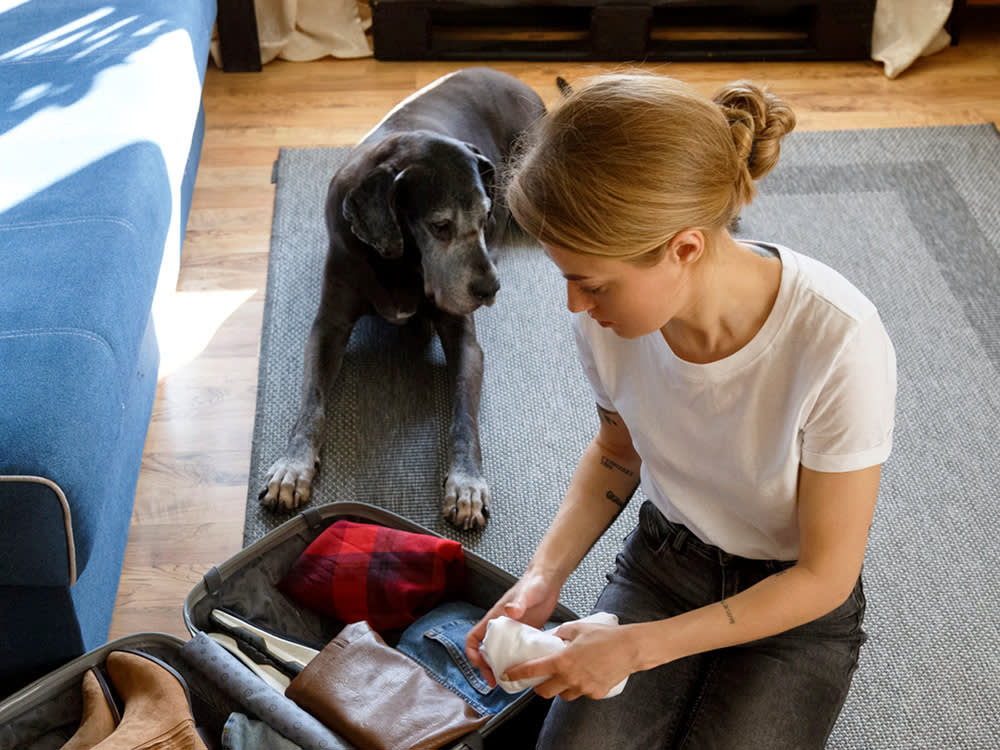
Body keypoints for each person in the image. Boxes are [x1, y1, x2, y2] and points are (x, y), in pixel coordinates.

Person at [464, 73, 897, 750]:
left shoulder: (838, 338)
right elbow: (616, 451)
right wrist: (540, 578)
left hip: (794, 605)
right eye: (565, 276)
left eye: (591, 282)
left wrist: (637, 649)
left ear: (685, 248)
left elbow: (825, 575)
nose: (575, 305)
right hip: (667, 563)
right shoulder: (610, 320)